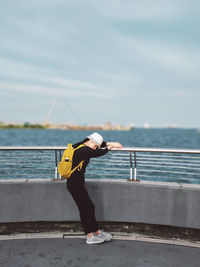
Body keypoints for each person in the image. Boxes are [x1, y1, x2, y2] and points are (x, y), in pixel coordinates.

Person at [66, 132, 123, 245]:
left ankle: (95, 232)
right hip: (75, 185)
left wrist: (109, 143)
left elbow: (96, 147)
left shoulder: (79, 145)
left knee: (85, 208)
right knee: (88, 207)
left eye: (97, 145)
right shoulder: (84, 150)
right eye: (95, 145)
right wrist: (109, 147)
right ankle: (90, 236)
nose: (96, 147)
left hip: (75, 184)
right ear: (91, 141)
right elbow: (98, 153)